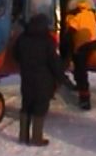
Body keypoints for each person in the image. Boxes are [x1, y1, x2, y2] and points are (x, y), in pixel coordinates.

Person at [13, 14, 68, 146]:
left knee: (26, 106)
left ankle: (23, 136)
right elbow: (54, 62)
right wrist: (63, 78)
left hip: (26, 77)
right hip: (43, 80)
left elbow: (15, 55)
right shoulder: (47, 40)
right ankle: (36, 138)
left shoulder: (22, 38)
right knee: (40, 108)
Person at [65, 0, 96, 110]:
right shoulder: (93, 13)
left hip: (82, 46)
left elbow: (70, 32)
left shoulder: (75, 17)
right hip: (95, 44)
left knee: (81, 71)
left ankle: (85, 99)